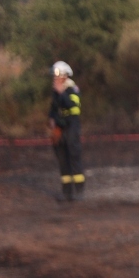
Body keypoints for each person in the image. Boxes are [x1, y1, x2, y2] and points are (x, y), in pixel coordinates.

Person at [48, 61, 85, 201]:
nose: (54, 78)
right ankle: (67, 194)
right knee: (62, 160)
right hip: (60, 128)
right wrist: (52, 119)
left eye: (56, 75)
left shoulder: (72, 89)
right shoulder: (56, 92)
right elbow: (52, 109)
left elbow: (72, 106)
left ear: (64, 75)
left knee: (74, 157)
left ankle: (80, 192)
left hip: (72, 126)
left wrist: (61, 92)